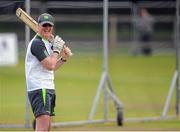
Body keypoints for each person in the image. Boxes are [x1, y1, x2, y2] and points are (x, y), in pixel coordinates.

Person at [25, 13, 72, 131]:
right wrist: (57, 50)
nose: (47, 28)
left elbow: (51, 67)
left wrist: (64, 58)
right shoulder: (37, 43)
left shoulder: (46, 42)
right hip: (40, 88)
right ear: (38, 26)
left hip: (48, 87)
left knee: (47, 127)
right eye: (44, 25)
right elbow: (50, 65)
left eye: (49, 25)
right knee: (42, 128)